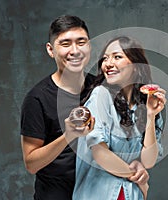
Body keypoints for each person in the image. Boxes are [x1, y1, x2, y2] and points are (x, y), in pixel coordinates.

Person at [20, 15, 150, 200]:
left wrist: (136, 167)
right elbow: (31, 164)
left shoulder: (103, 88)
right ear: (51, 50)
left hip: (99, 193)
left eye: (81, 42)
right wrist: (69, 136)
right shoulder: (37, 98)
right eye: (65, 44)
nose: (75, 51)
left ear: (89, 46)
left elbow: (123, 139)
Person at [73, 36, 167, 200]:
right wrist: (139, 178)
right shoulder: (100, 96)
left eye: (117, 57)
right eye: (105, 58)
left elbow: (148, 160)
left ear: (136, 66)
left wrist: (151, 115)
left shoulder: (143, 106)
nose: (108, 64)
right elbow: (100, 154)